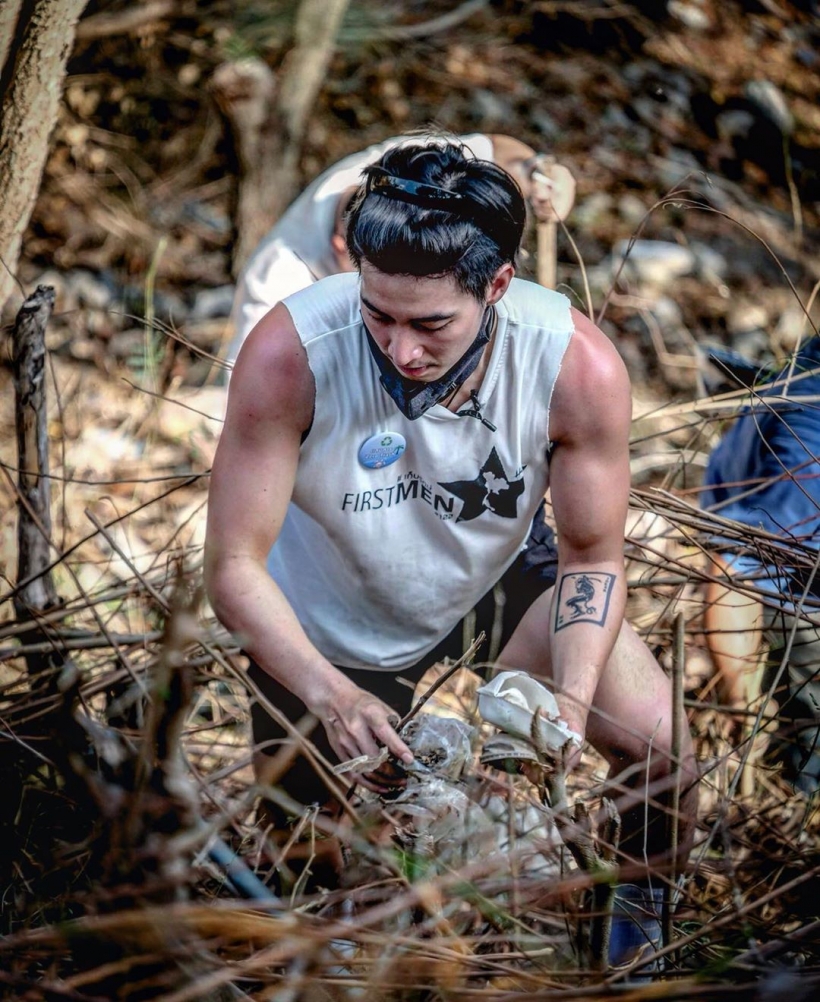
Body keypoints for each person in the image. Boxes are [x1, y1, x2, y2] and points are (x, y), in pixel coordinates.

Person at [205, 136, 698, 972]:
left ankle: (633, 941)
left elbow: (591, 558)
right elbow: (232, 568)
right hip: (325, 602)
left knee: (661, 751)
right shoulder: (291, 352)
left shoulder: (574, 365)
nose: (402, 350)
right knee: (312, 874)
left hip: (488, 574)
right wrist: (331, 696)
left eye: (431, 323)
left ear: (498, 285)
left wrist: (570, 706)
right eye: (379, 315)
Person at [226, 132, 576, 362]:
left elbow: (498, 148)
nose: (403, 352)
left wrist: (546, 173)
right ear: (340, 248)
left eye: (429, 322)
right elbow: (241, 394)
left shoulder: (407, 172)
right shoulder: (276, 278)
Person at [701, 339, 820, 795]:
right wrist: (742, 705)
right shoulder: (807, 463)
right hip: (797, 604)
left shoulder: (805, 366)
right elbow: (733, 568)